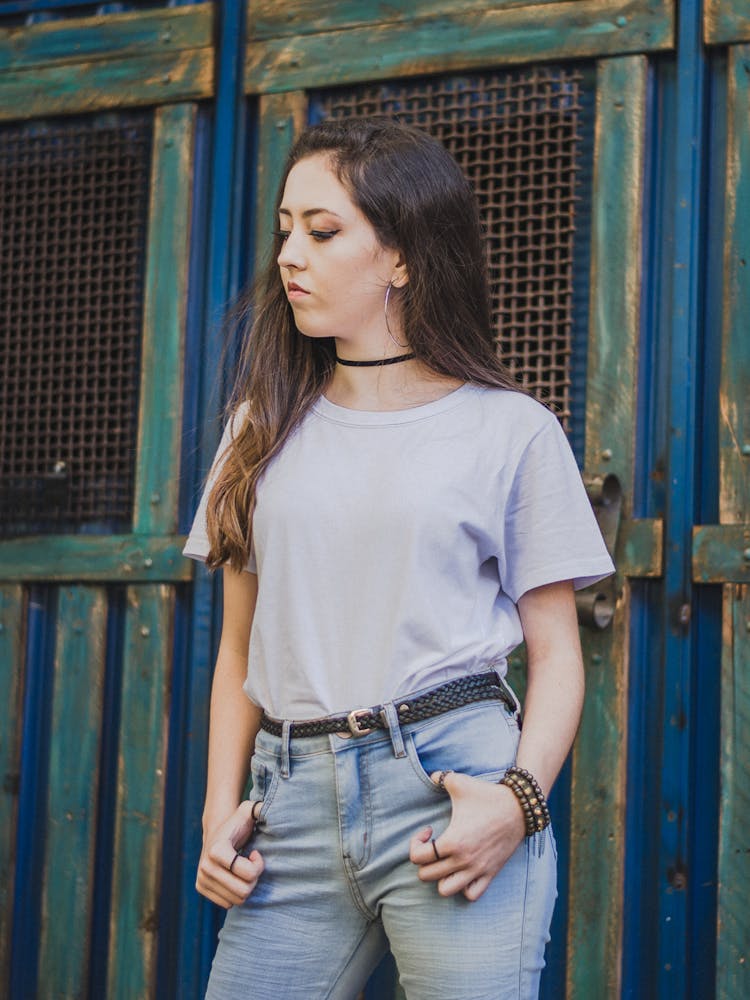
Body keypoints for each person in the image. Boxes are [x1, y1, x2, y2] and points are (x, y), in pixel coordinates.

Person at [183, 117, 614, 1000]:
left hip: (452, 789)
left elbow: (559, 653)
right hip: (289, 802)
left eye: (323, 230)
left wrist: (519, 800)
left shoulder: (510, 429)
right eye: (285, 230)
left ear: (405, 257)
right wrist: (218, 809)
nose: (290, 255)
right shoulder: (257, 430)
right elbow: (240, 650)